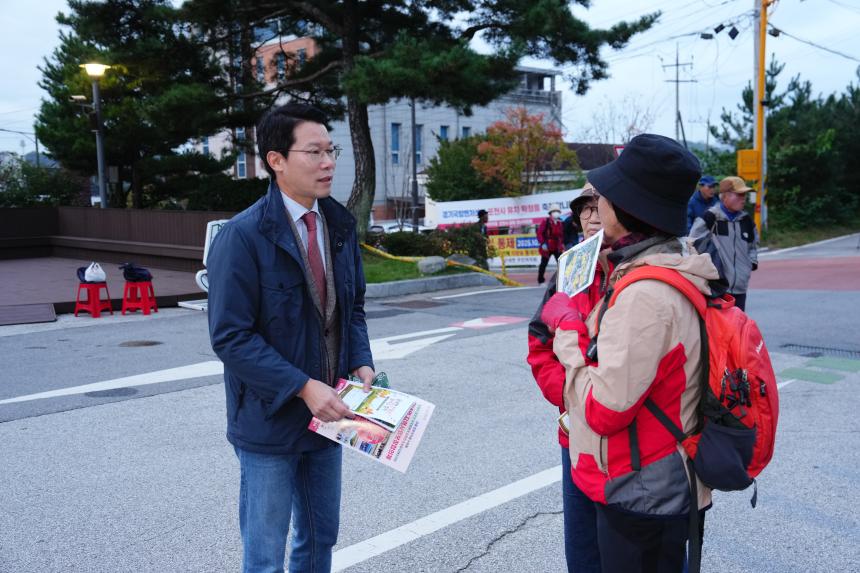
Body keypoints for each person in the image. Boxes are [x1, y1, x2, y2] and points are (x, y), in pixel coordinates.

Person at [206, 103, 375, 573]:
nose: (328, 163)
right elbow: (230, 337)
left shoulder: (339, 225)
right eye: (314, 152)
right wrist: (302, 387)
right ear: (276, 160)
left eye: (331, 151)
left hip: (329, 414)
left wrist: (360, 359)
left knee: (320, 539)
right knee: (265, 553)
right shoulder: (242, 236)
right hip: (268, 419)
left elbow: (352, 307)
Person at [540, 133, 719, 573]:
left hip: (642, 486)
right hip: (655, 472)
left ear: (627, 207)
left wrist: (567, 329)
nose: (596, 206)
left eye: (604, 196)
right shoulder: (668, 265)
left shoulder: (644, 294)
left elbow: (604, 410)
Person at [527, 183, 608, 573]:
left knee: (639, 550)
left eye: (599, 206)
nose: (592, 216)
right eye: (584, 209)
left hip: (627, 433)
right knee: (583, 548)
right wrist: (566, 393)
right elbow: (539, 341)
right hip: (575, 429)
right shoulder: (570, 267)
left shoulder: (639, 269)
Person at [689, 175, 759, 311]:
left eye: (744, 195)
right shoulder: (711, 217)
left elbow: (753, 245)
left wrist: (751, 263)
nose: (743, 198)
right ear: (725, 196)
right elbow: (692, 242)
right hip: (717, 288)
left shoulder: (746, 220)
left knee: (738, 323)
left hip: (740, 288)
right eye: (739, 194)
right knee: (718, 324)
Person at [536, 203, 565, 284]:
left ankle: (562, 280)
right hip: (547, 247)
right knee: (543, 264)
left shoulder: (560, 222)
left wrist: (562, 244)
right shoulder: (546, 222)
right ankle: (540, 280)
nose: (556, 213)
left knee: (561, 263)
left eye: (557, 211)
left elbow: (561, 235)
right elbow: (539, 233)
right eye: (554, 211)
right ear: (550, 213)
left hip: (557, 246)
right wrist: (542, 243)